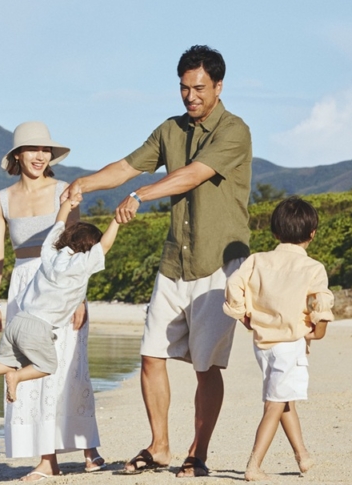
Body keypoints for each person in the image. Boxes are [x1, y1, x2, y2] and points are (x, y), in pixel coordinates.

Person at [63, 45, 252, 478]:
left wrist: (140, 195)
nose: (190, 96)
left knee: (206, 367)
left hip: (219, 264)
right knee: (151, 356)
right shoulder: (170, 129)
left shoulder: (235, 131)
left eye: (199, 88)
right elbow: (127, 166)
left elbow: (193, 174)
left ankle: (198, 453)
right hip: (174, 261)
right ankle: (159, 446)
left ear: (219, 87)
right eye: (184, 88)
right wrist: (84, 183)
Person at [0, 121, 104, 481]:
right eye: (33, 149)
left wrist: (81, 299)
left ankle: (88, 446)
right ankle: (46, 459)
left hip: (63, 283)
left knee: (70, 366)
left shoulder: (64, 191)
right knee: (34, 367)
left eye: (45, 150)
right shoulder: (2, 199)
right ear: (17, 155)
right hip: (23, 288)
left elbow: (80, 246)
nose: (40, 156)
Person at [0, 190, 118, 404]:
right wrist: (117, 220)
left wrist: (66, 206)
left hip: (18, 320)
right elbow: (105, 245)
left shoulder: (50, 253)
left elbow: (58, 224)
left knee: (10, 360)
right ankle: (17, 377)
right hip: (39, 326)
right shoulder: (81, 264)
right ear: (89, 248)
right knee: (47, 365)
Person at [223, 197, 333, 481]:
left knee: (284, 400)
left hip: (262, 344)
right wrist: (317, 331)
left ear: (275, 232)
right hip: (289, 345)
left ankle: (302, 455)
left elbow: (234, 284)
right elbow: (321, 302)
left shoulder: (256, 260)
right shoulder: (313, 268)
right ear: (312, 233)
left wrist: (243, 315)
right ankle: (254, 465)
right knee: (274, 403)